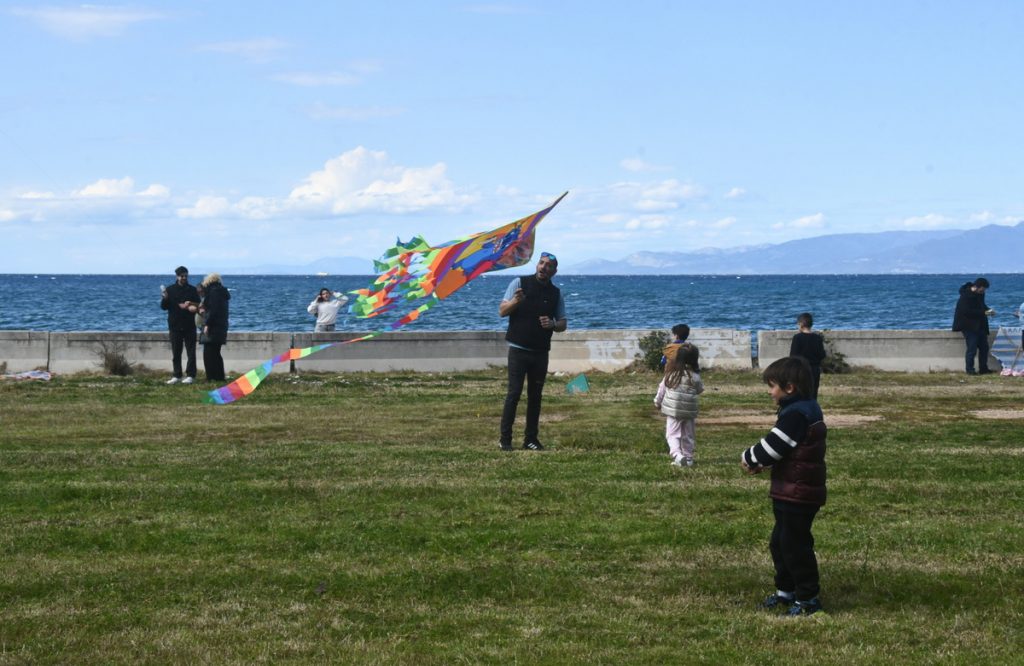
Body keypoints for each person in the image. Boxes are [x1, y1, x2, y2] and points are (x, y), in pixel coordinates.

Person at [741, 356, 827, 617]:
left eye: (772, 386)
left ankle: (808, 599)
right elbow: (789, 450)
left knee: (795, 544)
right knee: (781, 542)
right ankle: (786, 592)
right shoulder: (803, 409)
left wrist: (750, 458)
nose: (770, 392)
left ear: (789, 388)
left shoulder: (797, 414)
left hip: (799, 492)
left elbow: (773, 446)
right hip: (792, 489)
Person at [498, 251, 567, 451]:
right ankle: (505, 439)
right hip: (518, 350)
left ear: (554, 271)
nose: (544, 267)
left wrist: (553, 324)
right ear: (537, 265)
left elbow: (563, 323)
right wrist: (515, 302)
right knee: (514, 394)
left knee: (535, 396)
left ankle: (531, 439)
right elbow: (502, 311)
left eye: (548, 266)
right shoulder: (519, 283)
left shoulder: (555, 293)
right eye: (541, 263)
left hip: (540, 352)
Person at [654, 342, 704, 467]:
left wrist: (657, 402)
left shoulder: (671, 374)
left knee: (672, 434)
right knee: (688, 435)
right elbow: (699, 389)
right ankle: (688, 458)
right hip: (689, 411)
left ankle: (677, 455)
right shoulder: (695, 376)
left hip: (673, 411)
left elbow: (662, 389)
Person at [160, 266, 200, 385]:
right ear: (177, 276)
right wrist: (165, 298)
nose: (184, 278)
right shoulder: (170, 290)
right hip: (174, 325)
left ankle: (191, 375)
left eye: (186, 276)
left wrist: (190, 304)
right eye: (182, 276)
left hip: (189, 325)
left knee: (191, 351)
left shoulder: (192, 290)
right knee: (176, 352)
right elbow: (163, 307)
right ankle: (177, 375)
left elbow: (199, 305)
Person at [952, 277, 995, 375]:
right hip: (968, 326)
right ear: (977, 287)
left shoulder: (980, 294)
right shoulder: (965, 296)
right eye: (982, 289)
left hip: (980, 325)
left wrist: (988, 310)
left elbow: (982, 305)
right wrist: (984, 312)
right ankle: (970, 370)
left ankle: (983, 369)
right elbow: (966, 312)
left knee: (984, 348)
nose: (983, 291)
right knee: (972, 349)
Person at [200, 273, 230, 382]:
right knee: (216, 353)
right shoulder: (222, 292)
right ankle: (219, 376)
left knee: (208, 353)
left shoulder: (213, 292)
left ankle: (211, 377)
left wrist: (207, 324)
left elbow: (213, 310)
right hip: (221, 326)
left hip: (213, 326)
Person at [789, 313, 826, 399]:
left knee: (800, 392)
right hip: (814, 369)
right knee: (813, 392)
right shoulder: (818, 338)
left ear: (801, 324)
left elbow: (793, 356)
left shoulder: (797, 338)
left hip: (801, 369)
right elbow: (822, 355)